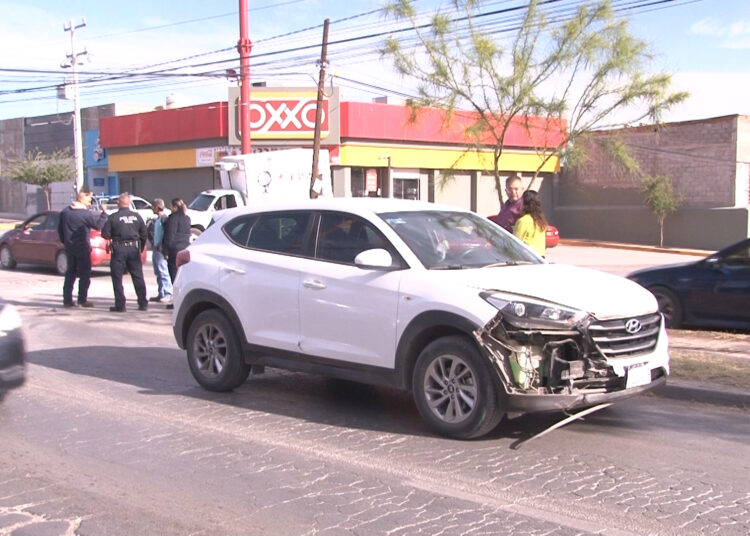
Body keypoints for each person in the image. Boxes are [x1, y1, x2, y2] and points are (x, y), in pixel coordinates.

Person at [57, 190, 108, 308]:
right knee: (85, 274)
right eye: (89, 199)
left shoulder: (65, 212)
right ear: (81, 198)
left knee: (70, 273)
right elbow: (98, 226)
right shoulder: (85, 214)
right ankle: (82, 299)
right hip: (82, 247)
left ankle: (67, 300)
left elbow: (60, 230)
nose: (90, 201)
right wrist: (104, 213)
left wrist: (66, 242)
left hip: (70, 247)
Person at [101, 193, 149, 312]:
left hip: (119, 249)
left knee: (117, 277)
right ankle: (142, 303)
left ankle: (120, 304)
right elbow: (144, 234)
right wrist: (141, 248)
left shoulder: (114, 217)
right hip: (133, 249)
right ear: (128, 203)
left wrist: (114, 235)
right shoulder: (137, 216)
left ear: (118, 203)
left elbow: (105, 234)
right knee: (138, 277)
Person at [148, 198, 173, 304]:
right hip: (156, 249)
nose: (152, 208)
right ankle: (161, 293)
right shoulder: (156, 220)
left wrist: (165, 249)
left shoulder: (164, 219)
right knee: (158, 272)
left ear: (157, 207)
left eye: (153, 206)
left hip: (161, 250)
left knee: (163, 272)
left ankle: (168, 293)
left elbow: (167, 235)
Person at [163, 198, 191, 284]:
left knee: (174, 273)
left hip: (174, 249)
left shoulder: (173, 218)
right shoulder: (187, 218)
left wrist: (166, 251)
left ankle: (176, 293)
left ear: (175, 207)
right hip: (185, 248)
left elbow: (170, 235)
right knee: (184, 273)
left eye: (171, 206)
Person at [513, 190, 547, 257]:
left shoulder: (523, 221)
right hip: (540, 257)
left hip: (528, 258)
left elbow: (515, 243)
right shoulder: (540, 221)